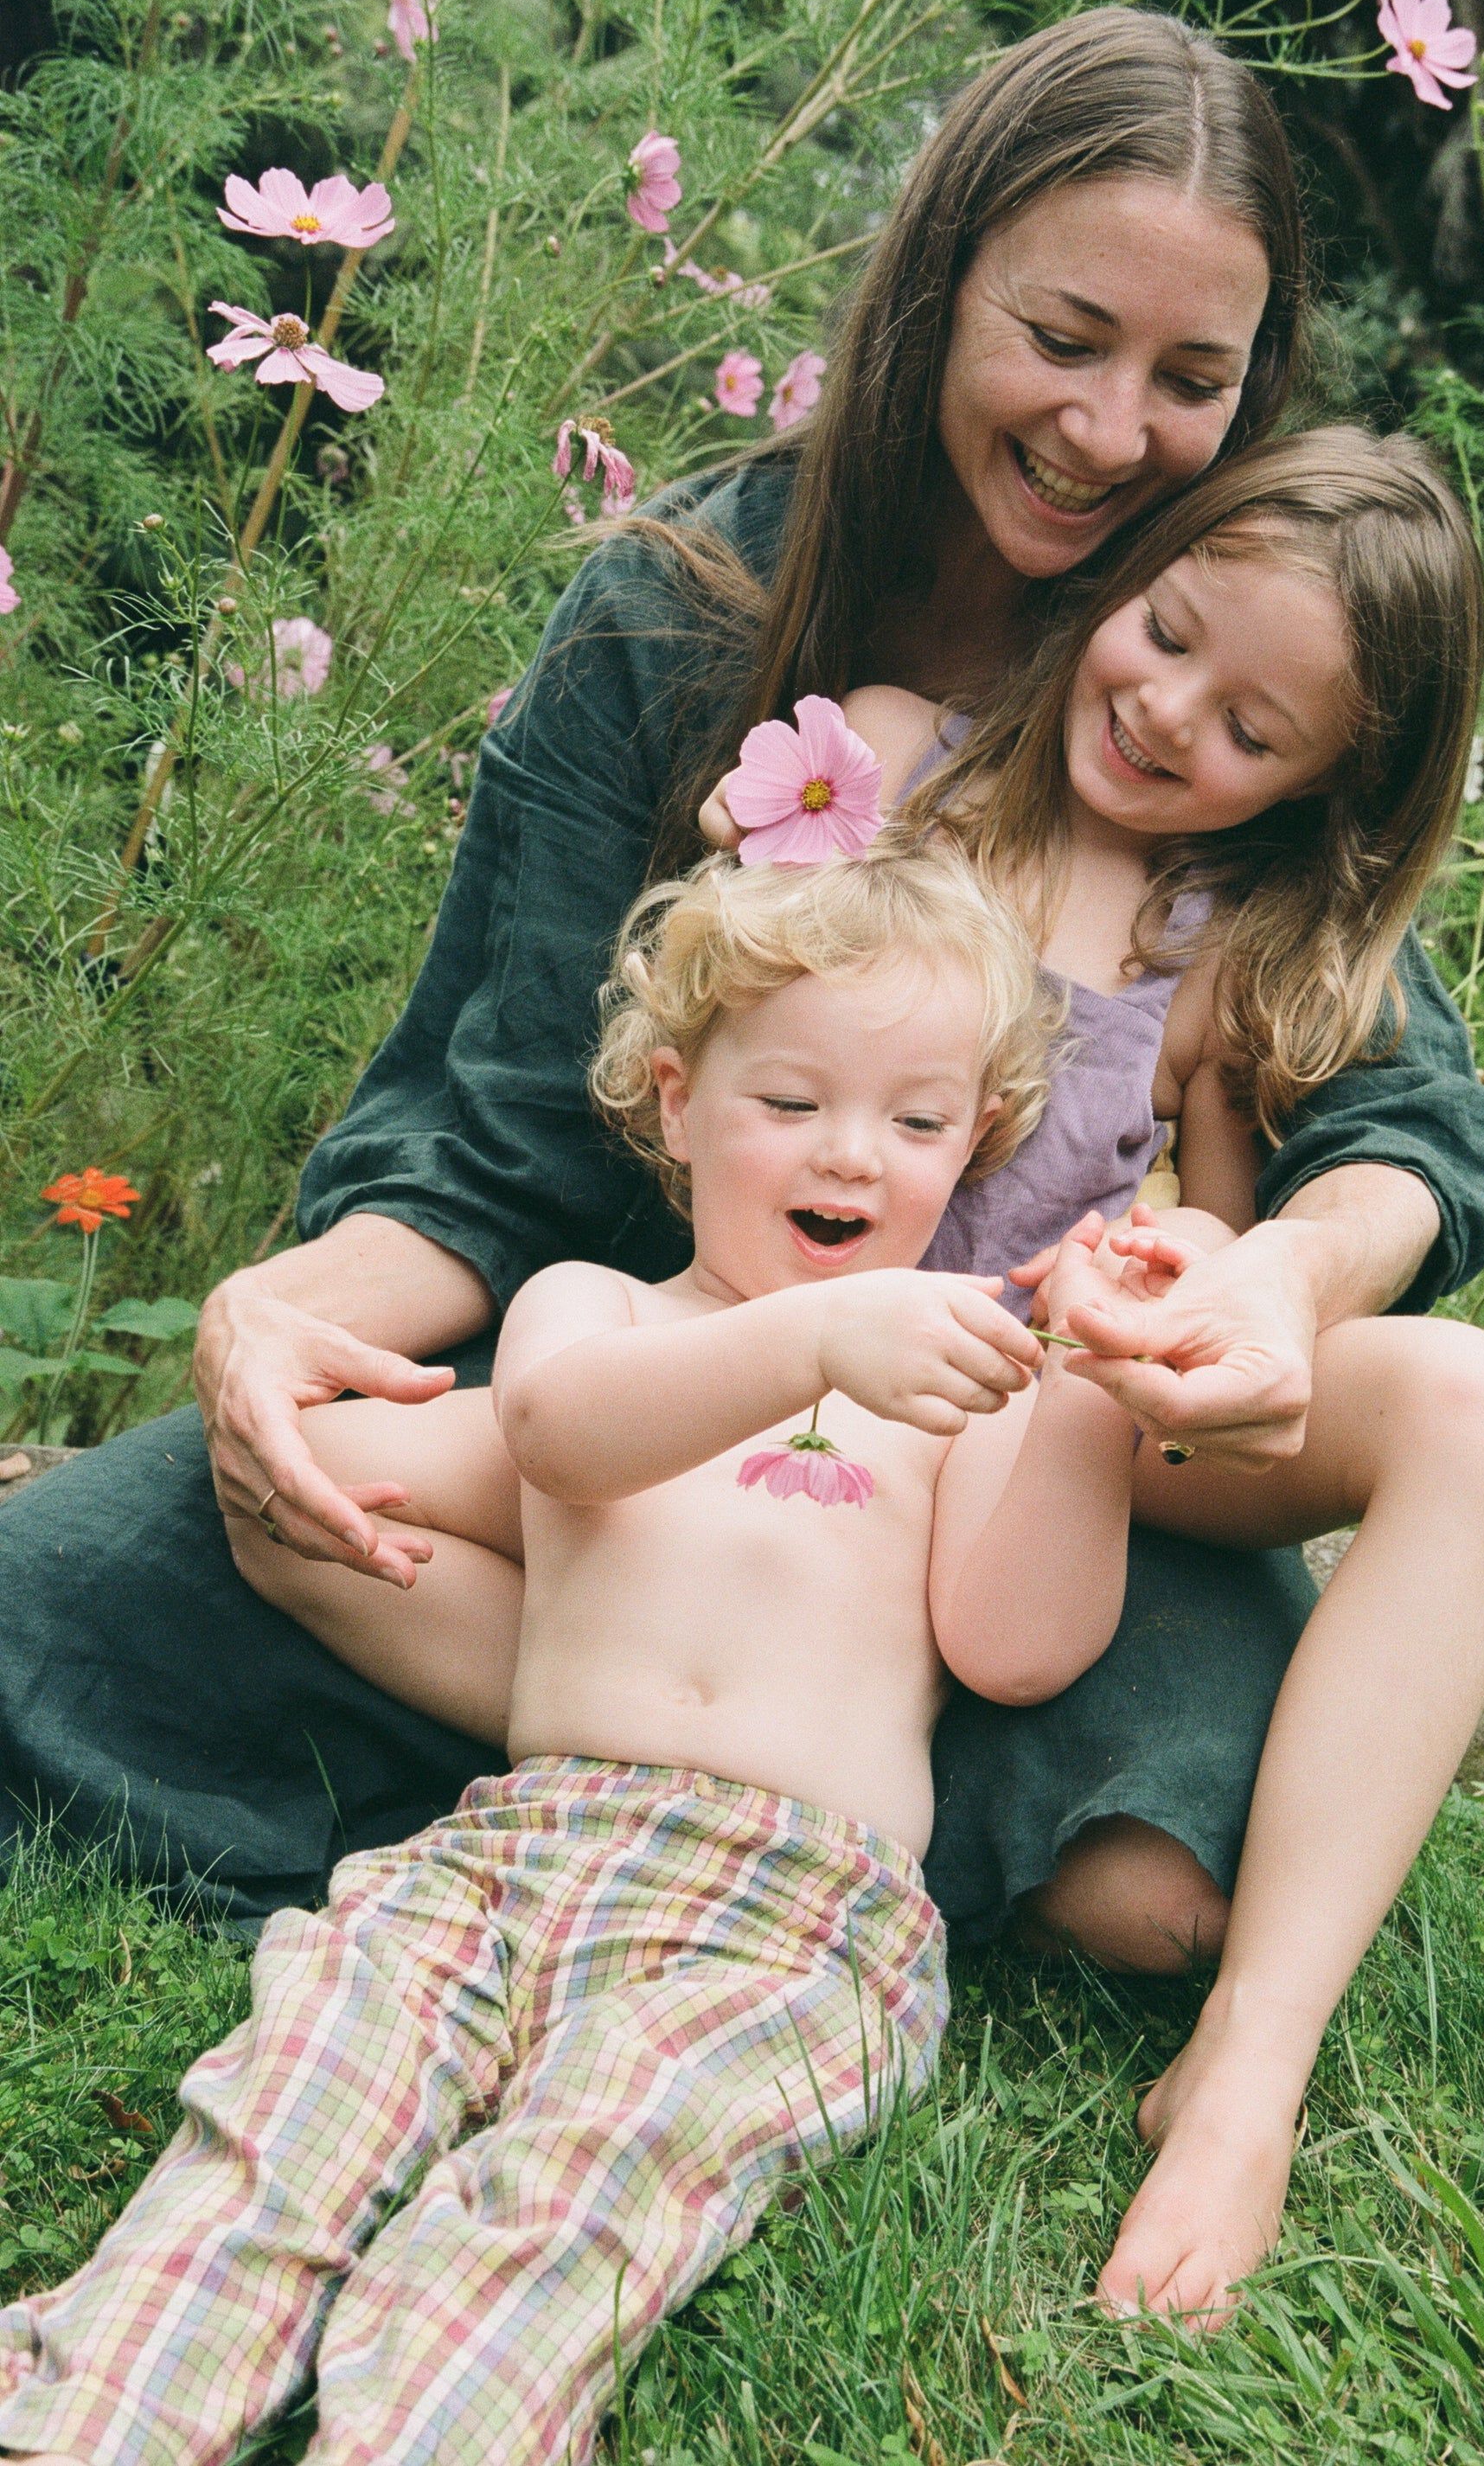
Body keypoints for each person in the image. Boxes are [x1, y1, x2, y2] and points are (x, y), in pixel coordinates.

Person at [0, 11, 1484, 2300]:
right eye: (1061, 337)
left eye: (1190, 377)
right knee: (104, 1579)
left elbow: (1418, 1107)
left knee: (1188, 1856)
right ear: (937, 276)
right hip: (676, 1411)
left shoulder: (1233, 614)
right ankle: (725, 1772)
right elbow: (504, 1125)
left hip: (1026, 1463)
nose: (1110, 430)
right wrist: (281, 1316)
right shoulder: (690, 611)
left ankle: (1186, 2039)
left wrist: (1283, 1279)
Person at [242, 424, 1484, 2322]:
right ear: (1127, 566)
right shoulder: (876, 764)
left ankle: (1245, 2067)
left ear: (1328, 779)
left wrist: (1187, 1273)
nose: (1175, 714)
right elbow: (735, 982)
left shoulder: (1226, 950)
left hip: (1022, 1412)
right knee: (306, 1477)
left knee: (1483, 1401)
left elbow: (1207, 1233)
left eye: (1256, 729)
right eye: (1169, 630)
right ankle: (699, 1741)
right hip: (764, 1371)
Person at [0, 846, 1146, 2466]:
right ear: (677, 1104)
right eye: (795, 1100)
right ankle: (95, 2413)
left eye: (915, 1119)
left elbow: (1016, 1646)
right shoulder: (595, 1309)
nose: (852, 1153)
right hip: (510, 1848)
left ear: (977, 1141)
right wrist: (814, 1343)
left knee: (579, 2182)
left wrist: (1095, 1389)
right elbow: (556, 1436)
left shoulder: (968, 1386)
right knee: (299, 2095)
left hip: (794, 1914)